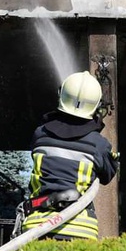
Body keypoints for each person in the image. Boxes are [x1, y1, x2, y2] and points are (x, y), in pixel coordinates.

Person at [19, 71, 119, 240]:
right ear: (96, 106)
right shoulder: (98, 144)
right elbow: (107, 175)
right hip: (81, 229)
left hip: (38, 226)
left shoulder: (40, 135)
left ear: (61, 96)